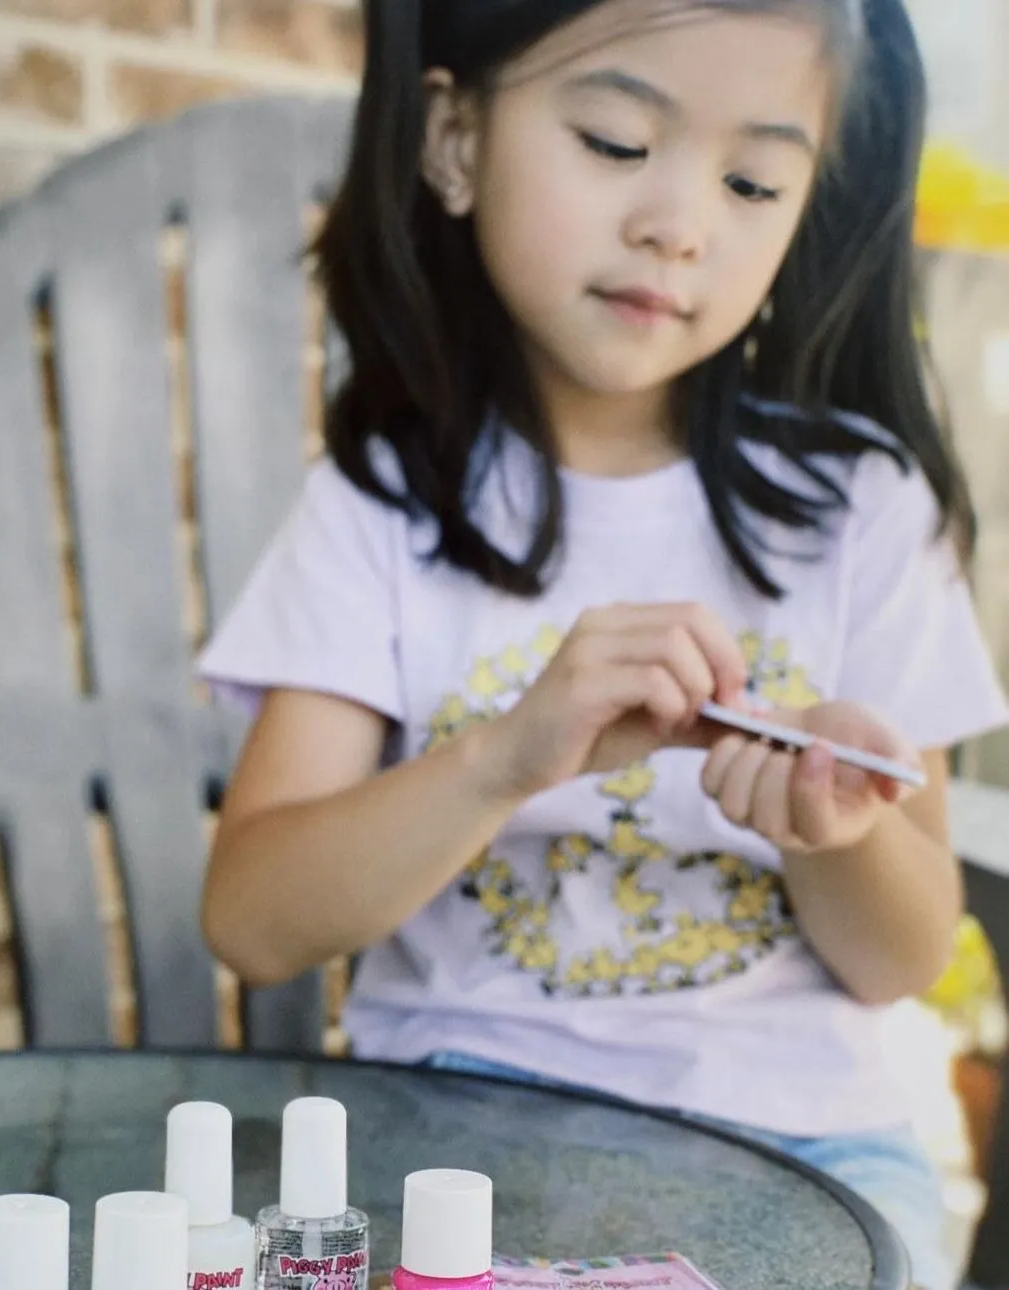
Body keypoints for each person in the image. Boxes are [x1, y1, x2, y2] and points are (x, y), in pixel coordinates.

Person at [196, 1, 1009, 1285]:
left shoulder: (862, 513)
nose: (680, 224)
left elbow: (905, 959)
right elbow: (252, 920)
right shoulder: (382, 513)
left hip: (804, 1148)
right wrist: (503, 758)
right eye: (619, 142)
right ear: (456, 139)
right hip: (454, 1139)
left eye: (753, 180)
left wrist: (835, 833)